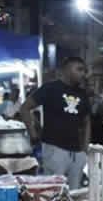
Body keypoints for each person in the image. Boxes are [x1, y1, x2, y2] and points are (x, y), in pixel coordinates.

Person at [21, 57, 91, 185]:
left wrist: (85, 150)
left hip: (77, 151)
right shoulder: (50, 88)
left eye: (84, 71)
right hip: (54, 148)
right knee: (54, 192)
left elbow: (86, 121)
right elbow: (25, 108)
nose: (83, 74)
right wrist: (33, 135)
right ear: (67, 70)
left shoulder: (82, 94)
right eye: (79, 69)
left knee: (75, 193)